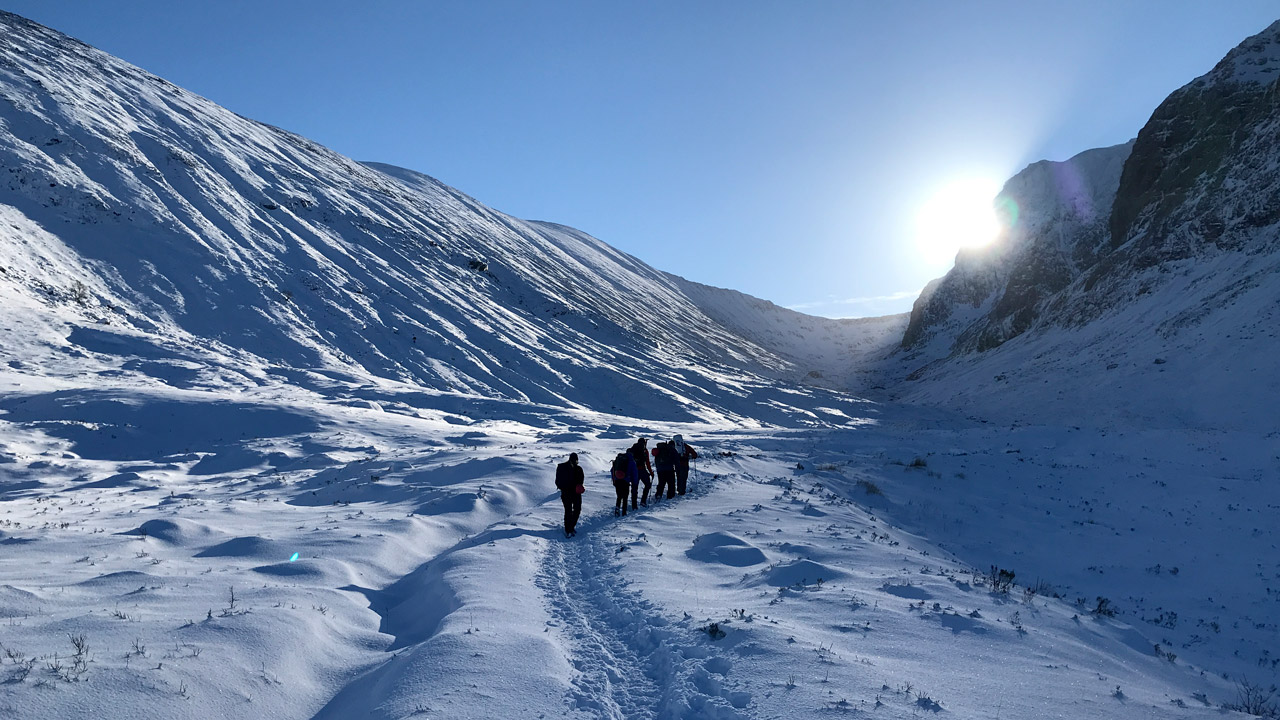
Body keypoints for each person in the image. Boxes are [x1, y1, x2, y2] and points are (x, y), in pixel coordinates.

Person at [555, 453, 585, 537]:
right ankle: (569, 529)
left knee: (571, 510)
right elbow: (581, 480)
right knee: (573, 510)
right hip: (572, 493)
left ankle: (569, 528)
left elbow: (557, 481)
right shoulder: (577, 468)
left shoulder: (563, 467)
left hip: (569, 493)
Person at [611, 449, 638, 516]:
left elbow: (612, 470)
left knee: (619, 496)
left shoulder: (618, 459)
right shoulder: (631, 461)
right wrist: (634, 483)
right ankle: (624, 512)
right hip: (625, 481)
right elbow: (634, 473)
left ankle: (617, 509)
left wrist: (614, 480)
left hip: (617, 480)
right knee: (625, 497)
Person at [630, 437, 653, 508]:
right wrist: (651, 472)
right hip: (642, 470)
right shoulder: (644, 450)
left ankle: (634, 505)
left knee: (634, 487)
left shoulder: (632, 449)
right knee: (647, 485)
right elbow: (647, 463)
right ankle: (643, 501)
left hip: (634, 471)